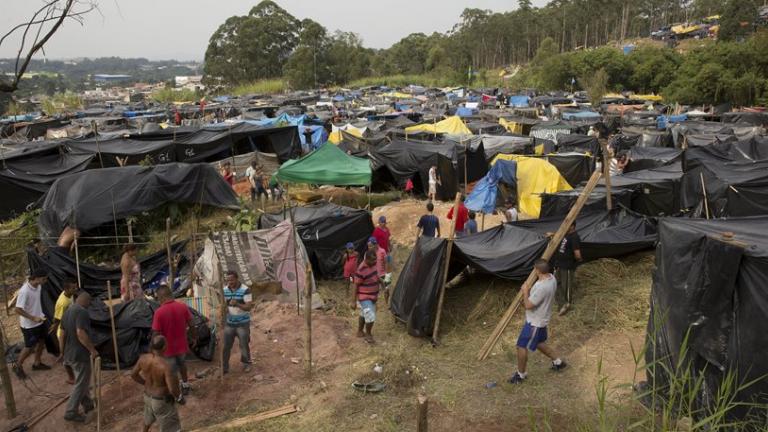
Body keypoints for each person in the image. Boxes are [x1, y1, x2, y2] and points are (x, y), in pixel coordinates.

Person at [508, 259, 567, 385]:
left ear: (538, 270)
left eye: (535, 269)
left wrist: (525, 291)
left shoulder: (542, 287)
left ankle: (521, 375)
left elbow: (528, 305)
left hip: (535, 322)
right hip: (542, 319)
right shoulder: (552, 278)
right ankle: (558, 362)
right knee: (539, 343)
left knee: (521, 346)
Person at [151, 284, 196, 400]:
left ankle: (176, 394)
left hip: (167, 350)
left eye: (158, 298)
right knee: (182, 365)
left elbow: (156, 333)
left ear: (161, 297)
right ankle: (185, 385)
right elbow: (192, 324)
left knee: (171, 372)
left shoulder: (159, 312)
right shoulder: (183, 307)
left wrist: (155, 350)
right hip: (182, 346)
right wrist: (194, 338)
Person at [60, 292, 98, 422]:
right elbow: (80, 332)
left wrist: (62, 352)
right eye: (89, 303)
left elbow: (62, 334)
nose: (89, 306)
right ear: (86, 301)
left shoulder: (67, 311)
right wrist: (92, 349)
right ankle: (71, 411)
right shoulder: (82, 312)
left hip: (69, 354)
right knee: (81, 383)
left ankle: (87, 404)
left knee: (81, 381)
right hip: (79, 354)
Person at [131, 335, 182, 432]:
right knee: (170, 427)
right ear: (164, 347)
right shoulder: (166, 366)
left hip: (147, 397)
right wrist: (179, 397)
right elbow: (172, 389)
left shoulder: (143, 358)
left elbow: (133, 374)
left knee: (147, 420)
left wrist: (145, 382)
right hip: (161, 401)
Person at [14, 269, 51, 379]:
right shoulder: (24, 291)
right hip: (29, 325)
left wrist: (38, 315)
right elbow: (17, 309)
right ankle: (17, 365)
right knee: (29, 347)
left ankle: (37, 363)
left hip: (39, 320)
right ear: (37, 278)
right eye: (44, 279)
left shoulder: (38, 287)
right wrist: (32, 317)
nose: (45, 281)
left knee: (41, 341)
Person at [222, 271, 254, 374]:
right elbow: (224, 305)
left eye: (232, 280)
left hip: (242, 323)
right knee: (226, 346)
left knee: (244, 344)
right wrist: (223, 310)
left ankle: (246, 364)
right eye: (228, 280)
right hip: (230, 323)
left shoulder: (245, 290)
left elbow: (248, 307)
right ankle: (224, 367)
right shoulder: (225, 290)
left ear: (237, 278)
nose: (230, 282)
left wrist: (237, 304)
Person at [350, 251, 381, 344]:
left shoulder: (373, 265)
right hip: (365, 297)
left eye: (375, 259)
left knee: (364, 314)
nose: (375, 261)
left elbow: (376, 276)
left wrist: (382, 283)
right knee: (370, 316)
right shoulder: (361, 269)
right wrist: (353, 301)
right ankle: (368, 334)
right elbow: (355, 285)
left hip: (372, 296)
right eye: (372, 260)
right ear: (366, 259)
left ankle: (360, 331)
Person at [52, 278, 79, 384]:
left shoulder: (70, 295)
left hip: (70, 327)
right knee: (66, 357)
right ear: (66, 289)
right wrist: (55, 331)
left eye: (76, 287)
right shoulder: (62, 303)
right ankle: (71, 377)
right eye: (73, 288)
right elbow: (57, 319)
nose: (75, 289)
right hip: (64, 331)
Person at [552, 224, 583, 315]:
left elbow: (577, 253)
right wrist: (552, 234)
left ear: (572, 226)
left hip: (567, 265)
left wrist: (579, 259)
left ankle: (567, 304)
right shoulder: (566, 234)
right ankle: (562, 302)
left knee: (566, 286)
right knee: (556, 283)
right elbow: (559, 235)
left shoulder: (575, 237)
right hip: (560, 264)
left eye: (567, 224)